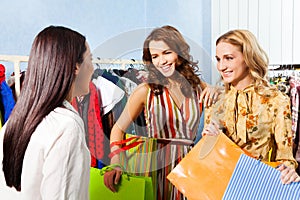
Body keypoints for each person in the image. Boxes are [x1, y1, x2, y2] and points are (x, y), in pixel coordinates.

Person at [104, 25, 218, 200]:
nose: (161, 61)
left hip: (190, 169)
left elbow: (225, 99)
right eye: (155, 56)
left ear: (179, 53)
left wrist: (217, 90)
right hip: (155, 167)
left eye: (166, 53)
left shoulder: (197, 87)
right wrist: (116, 161)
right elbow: (117, 129)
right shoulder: (145, 90)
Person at [0, 26, 94, 199]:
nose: (93, 68)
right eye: (90, 60)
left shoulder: (14, 123)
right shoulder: (66, 126)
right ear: (75, 67)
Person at [203, 29, 300, 184]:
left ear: (247, 57)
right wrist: (211, 141)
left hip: (257, 186)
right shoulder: (216, 100)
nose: (221, 66)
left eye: (228, 58)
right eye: (218, 59)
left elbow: (285, 158)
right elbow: (207, 157)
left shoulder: (276, 101)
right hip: (218, 186)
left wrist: (289, 171)